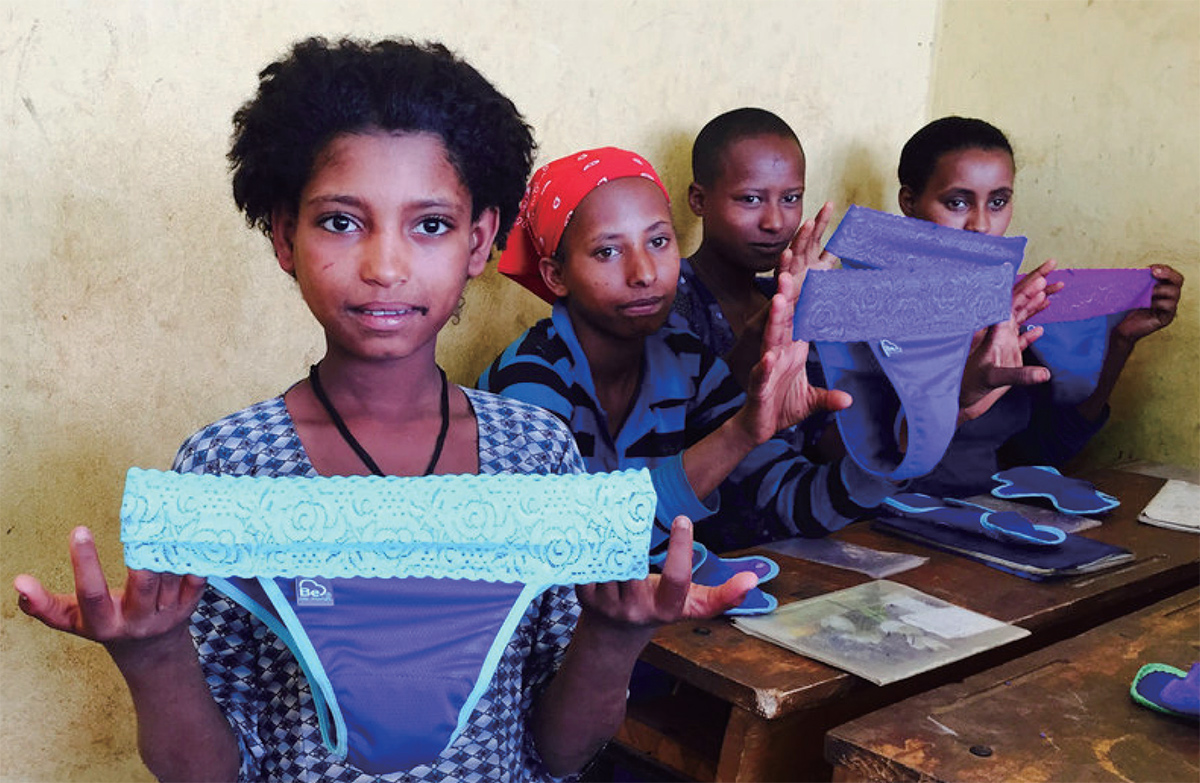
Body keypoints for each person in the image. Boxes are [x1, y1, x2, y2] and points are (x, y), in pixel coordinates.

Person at [11, 38, 754, 782]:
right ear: (284, 235)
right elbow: (211, 774)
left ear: (479, 242)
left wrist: (614, 638)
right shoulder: (230, 465)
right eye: (341, 221)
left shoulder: (535, 452)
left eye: (429, 224)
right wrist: (152, 657)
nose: (385, 266)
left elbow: (557, 752)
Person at [478, 146, 895, 557]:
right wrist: (738, 434)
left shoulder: (686, 362)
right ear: (556, 275)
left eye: (659, 241)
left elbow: (790, 504)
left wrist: (902, 444)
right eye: (607, 251)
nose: (644, 273)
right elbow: (558, 543)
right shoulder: (530, 379)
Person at [896, 116, 1184, 496]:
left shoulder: (1013, 311)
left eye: (998, 202)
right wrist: (958, 398)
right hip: (880, 519)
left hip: (986, 516)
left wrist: (1120, 341)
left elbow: (1042, 453)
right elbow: (847, 463)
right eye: (957, 202)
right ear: (909, 202)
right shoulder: (864, 309)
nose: (981, 225)